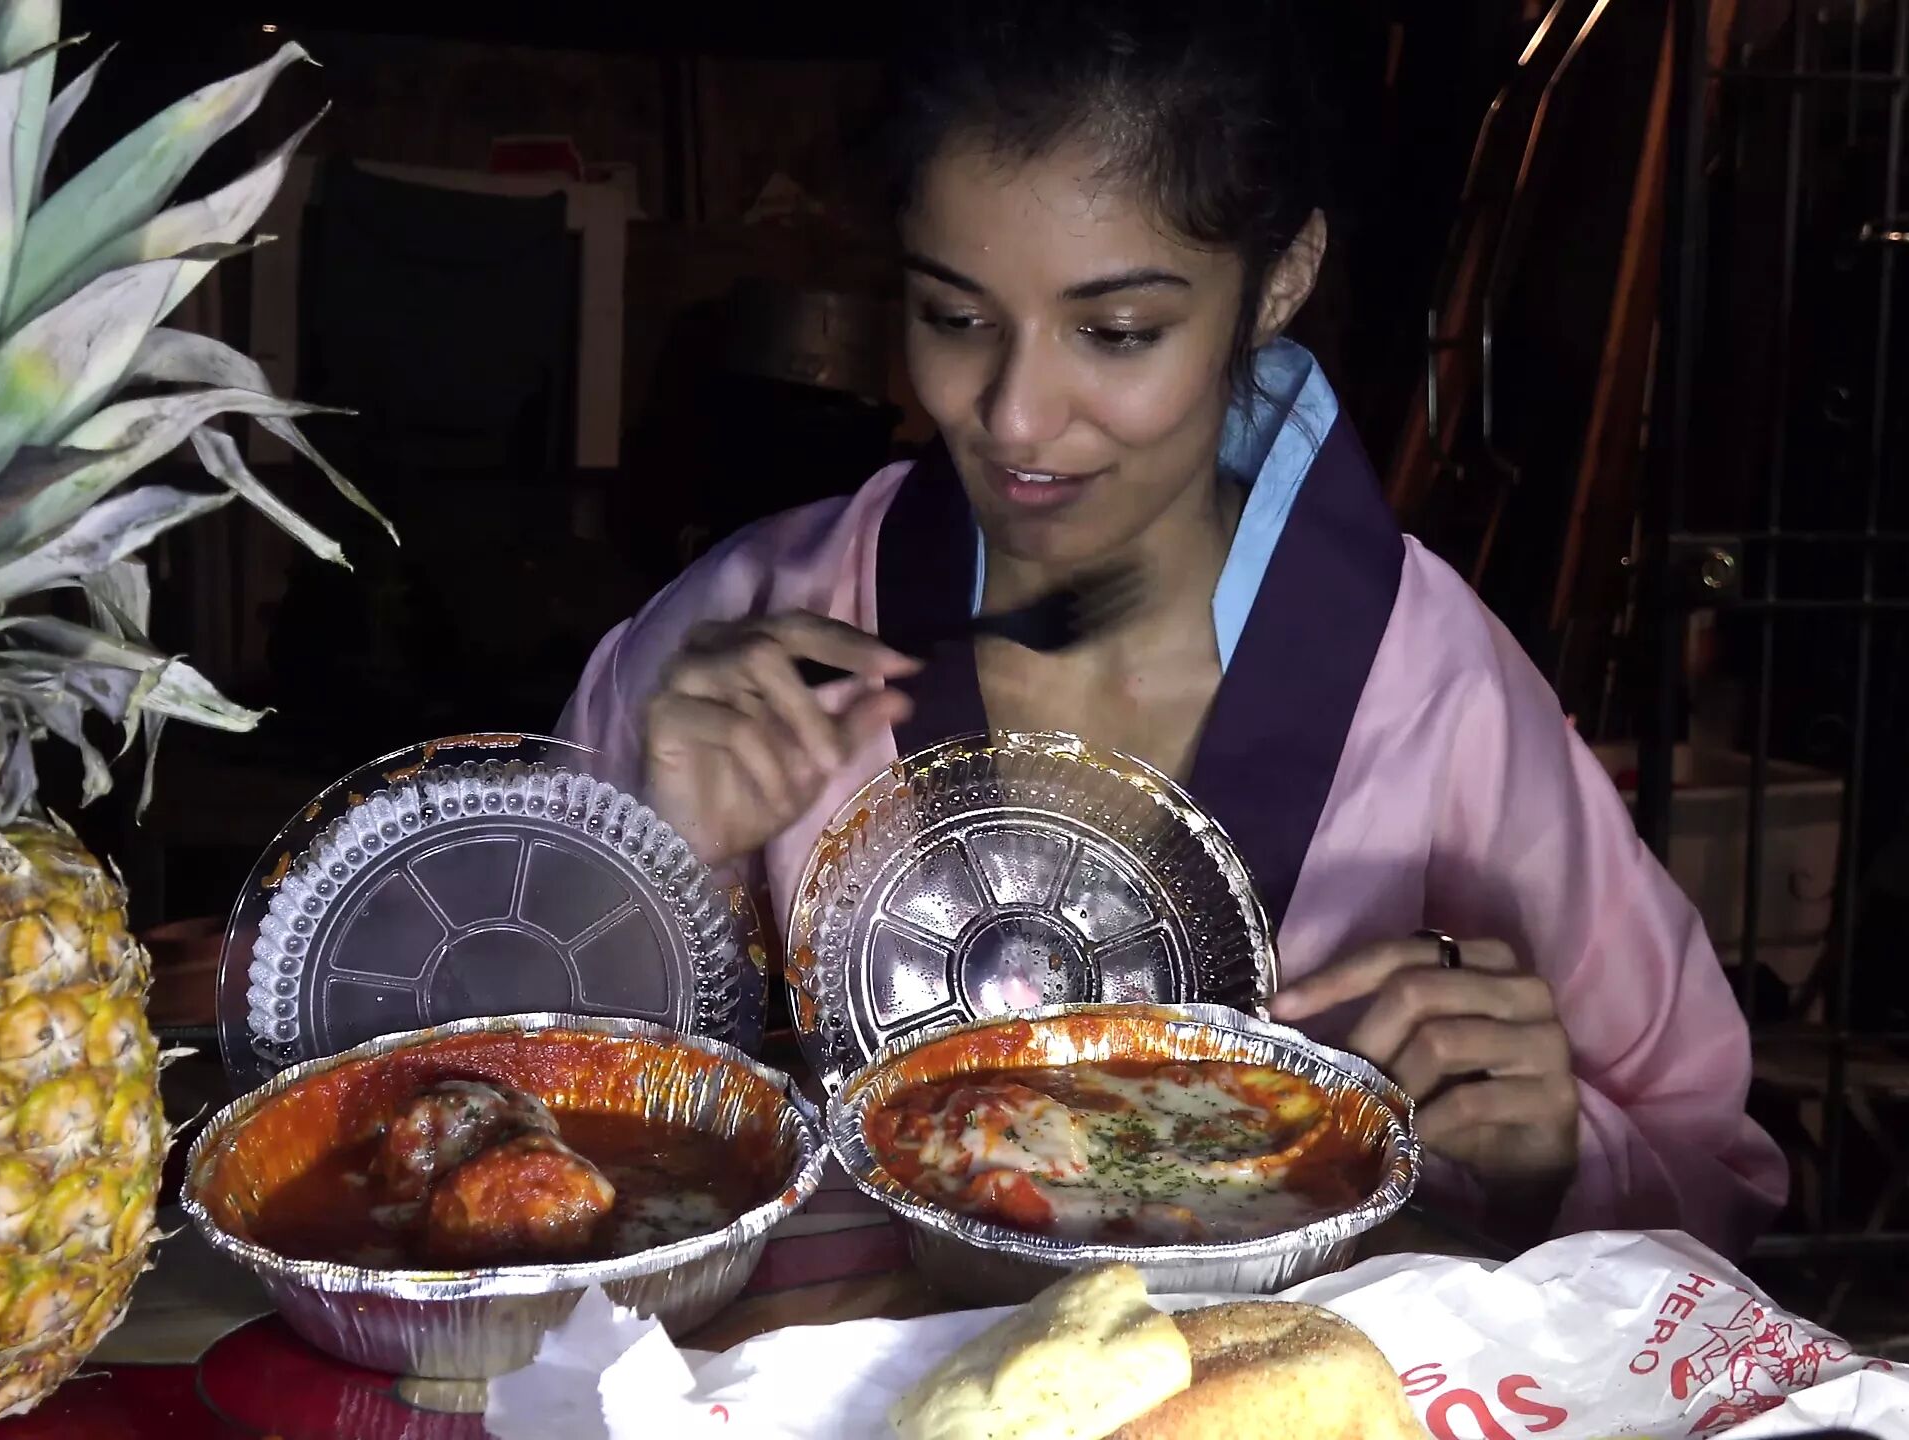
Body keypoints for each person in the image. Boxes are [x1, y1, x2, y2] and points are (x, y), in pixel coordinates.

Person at [557, 0, 1786, 1256]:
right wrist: (662, 870)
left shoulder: (1426, 681)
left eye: (1117, 333)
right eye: (955, 319)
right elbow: (490, 1126)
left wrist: (1554, 1160)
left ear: (1279, 280)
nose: (1015, 417)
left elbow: (1710, 1162)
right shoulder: (746, 634)